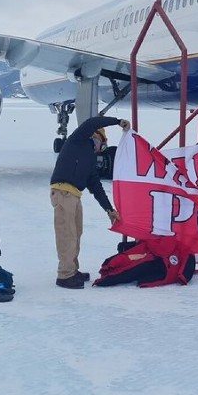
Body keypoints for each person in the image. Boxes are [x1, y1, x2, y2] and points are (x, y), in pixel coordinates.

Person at [50, 114, 130, 288]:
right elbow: (92, 121)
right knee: (67, 235)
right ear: (96, 136)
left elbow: (96, 187)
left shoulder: (90, 159)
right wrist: (117, 122)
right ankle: (64, 276)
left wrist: (110, 210)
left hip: (75, 195)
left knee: (76, 234)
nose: (102, 147)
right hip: (63, 192)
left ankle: (72, 270)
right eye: (102, 142)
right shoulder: (77, 140)